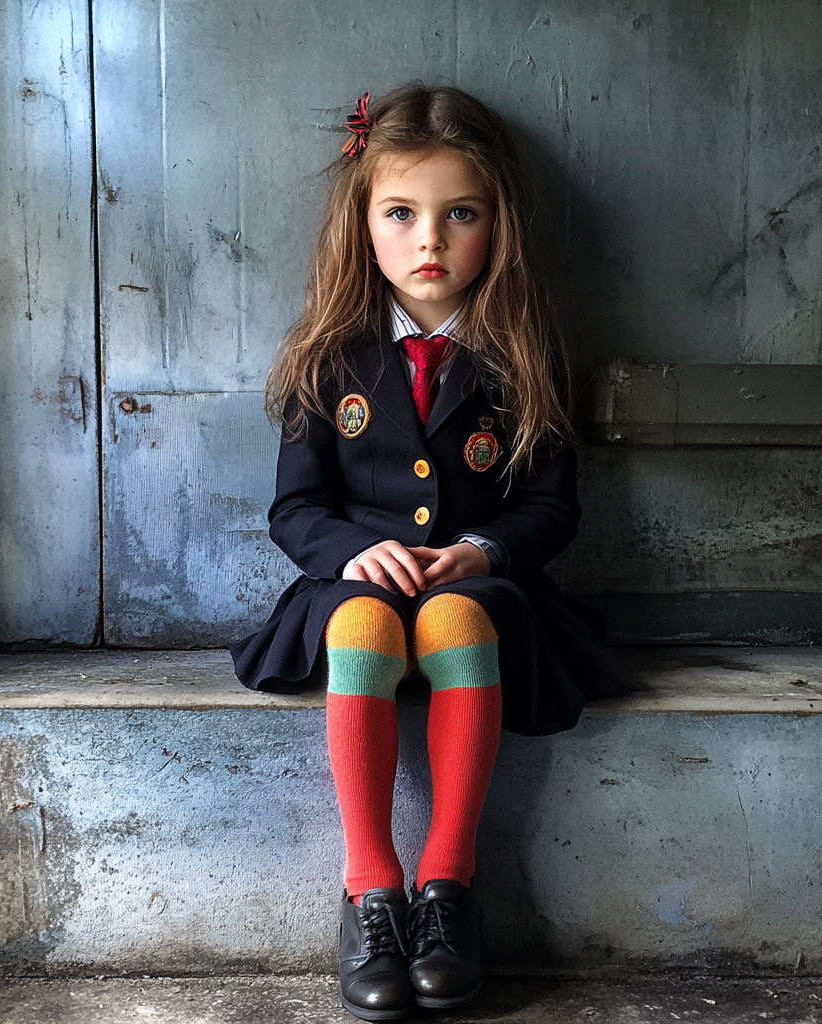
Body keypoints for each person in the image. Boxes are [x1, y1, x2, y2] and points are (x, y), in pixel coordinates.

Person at [231, 84, 632, 1021]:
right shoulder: (326, 358)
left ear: (499, 227)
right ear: (362, 225)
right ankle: (372, 889)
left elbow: (551, 507)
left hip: (484, 592)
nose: (431, 241)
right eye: (402, 213)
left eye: (462, 215)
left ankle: (449, 886)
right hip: (352, 588)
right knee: (365, 625)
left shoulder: (525, 355)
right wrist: (353, 555)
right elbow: (294, 509)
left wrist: (484, 551)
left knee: (452, 615)